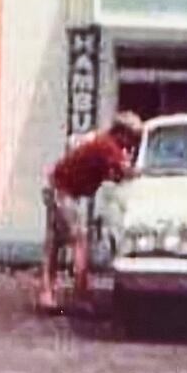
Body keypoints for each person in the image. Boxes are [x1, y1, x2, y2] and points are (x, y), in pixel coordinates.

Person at [37, 112, 144, 313]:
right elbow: (126, 173)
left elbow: (112, 175)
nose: (133, 143)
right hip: (64, 192)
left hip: (57, 186)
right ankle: (81, 295)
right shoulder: (108, 146)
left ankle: (47, 294)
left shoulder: (100, 141)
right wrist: (145, 170)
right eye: (132, 137)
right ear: (121, 133)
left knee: (54, 243)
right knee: (79, 241)